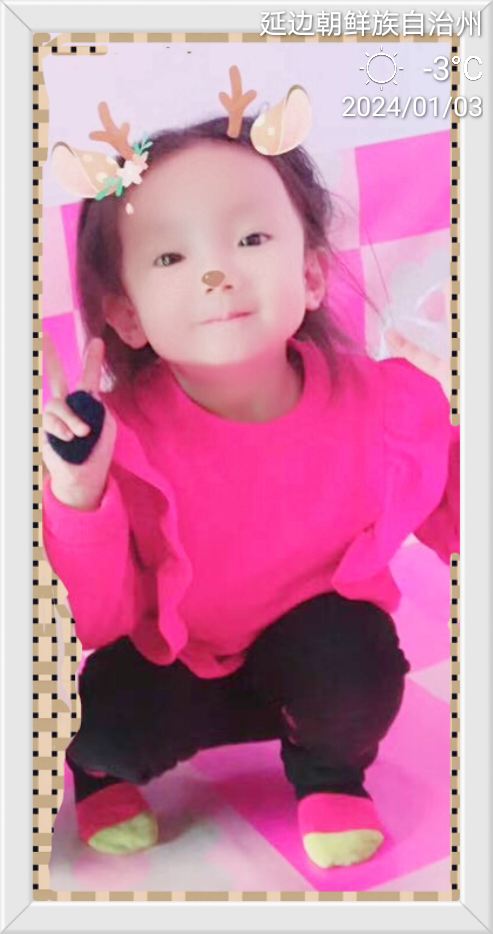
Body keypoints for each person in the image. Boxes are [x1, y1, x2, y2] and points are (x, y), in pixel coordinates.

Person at [42, 111, 459, 870]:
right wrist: (80, 491)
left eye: (252, 238)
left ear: (311, 274)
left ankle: (328, 773)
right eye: (171, 255)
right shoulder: (119, 440)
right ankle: (100, 772)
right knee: (109, 724)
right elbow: (95, 616)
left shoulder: (384, 403)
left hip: (308, 663)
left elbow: (456, 512)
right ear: (127, 315)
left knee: (361, 663)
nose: (216, 274)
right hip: (173, 666)